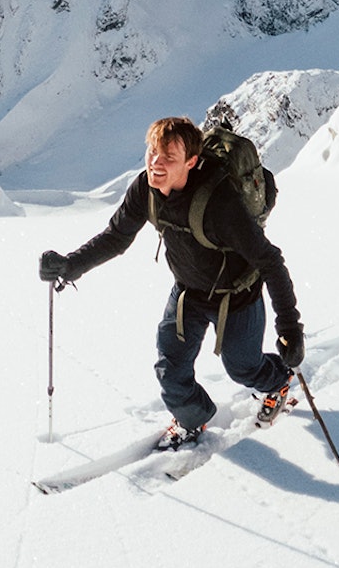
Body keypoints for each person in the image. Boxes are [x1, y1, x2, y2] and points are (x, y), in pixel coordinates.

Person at [39, 116, 304, 450]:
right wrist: (70, 265)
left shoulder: (220, 203)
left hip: (236, 296)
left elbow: (269, 260)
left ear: (191, 162)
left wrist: (290, 328)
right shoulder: (145, 189)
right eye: (152, 152)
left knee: (244, 368)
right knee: (171, 371)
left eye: (168, 157)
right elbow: (117, 237)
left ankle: (278, 382)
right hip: (187, 293)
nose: (155, 163)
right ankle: (193, 420)